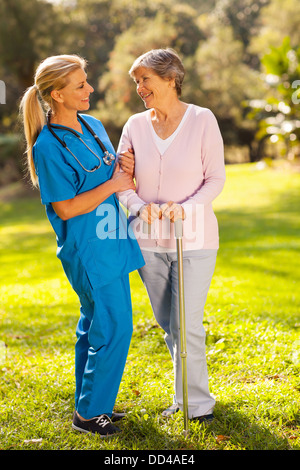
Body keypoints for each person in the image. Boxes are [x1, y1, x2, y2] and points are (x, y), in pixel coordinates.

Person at [19, 54, 145, 437]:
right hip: (87, 250)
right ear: (57, 95)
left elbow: (108, 175)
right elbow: (67, 207)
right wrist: (113, 184)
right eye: (79, 85)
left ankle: (91, 403)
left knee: (94, 325)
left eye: (86, 81)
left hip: (111, 238)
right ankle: (90, 416)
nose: (89, 89)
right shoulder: (47, 146)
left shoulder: (92, 125)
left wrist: (125, 165)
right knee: (116, 325)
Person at [117, 48, 226, 424]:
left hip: (193, 239)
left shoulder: (201, 119)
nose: (139, 88)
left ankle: (199, 407)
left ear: (170, 78)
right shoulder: (133, 125)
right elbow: (121, 183)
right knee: (169, 325)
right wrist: (137, 206)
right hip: (149, 241)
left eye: (144, 79)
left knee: (187, 325)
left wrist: (186, 208)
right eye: (137, 81)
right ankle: (183, 397)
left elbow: (215, 179)